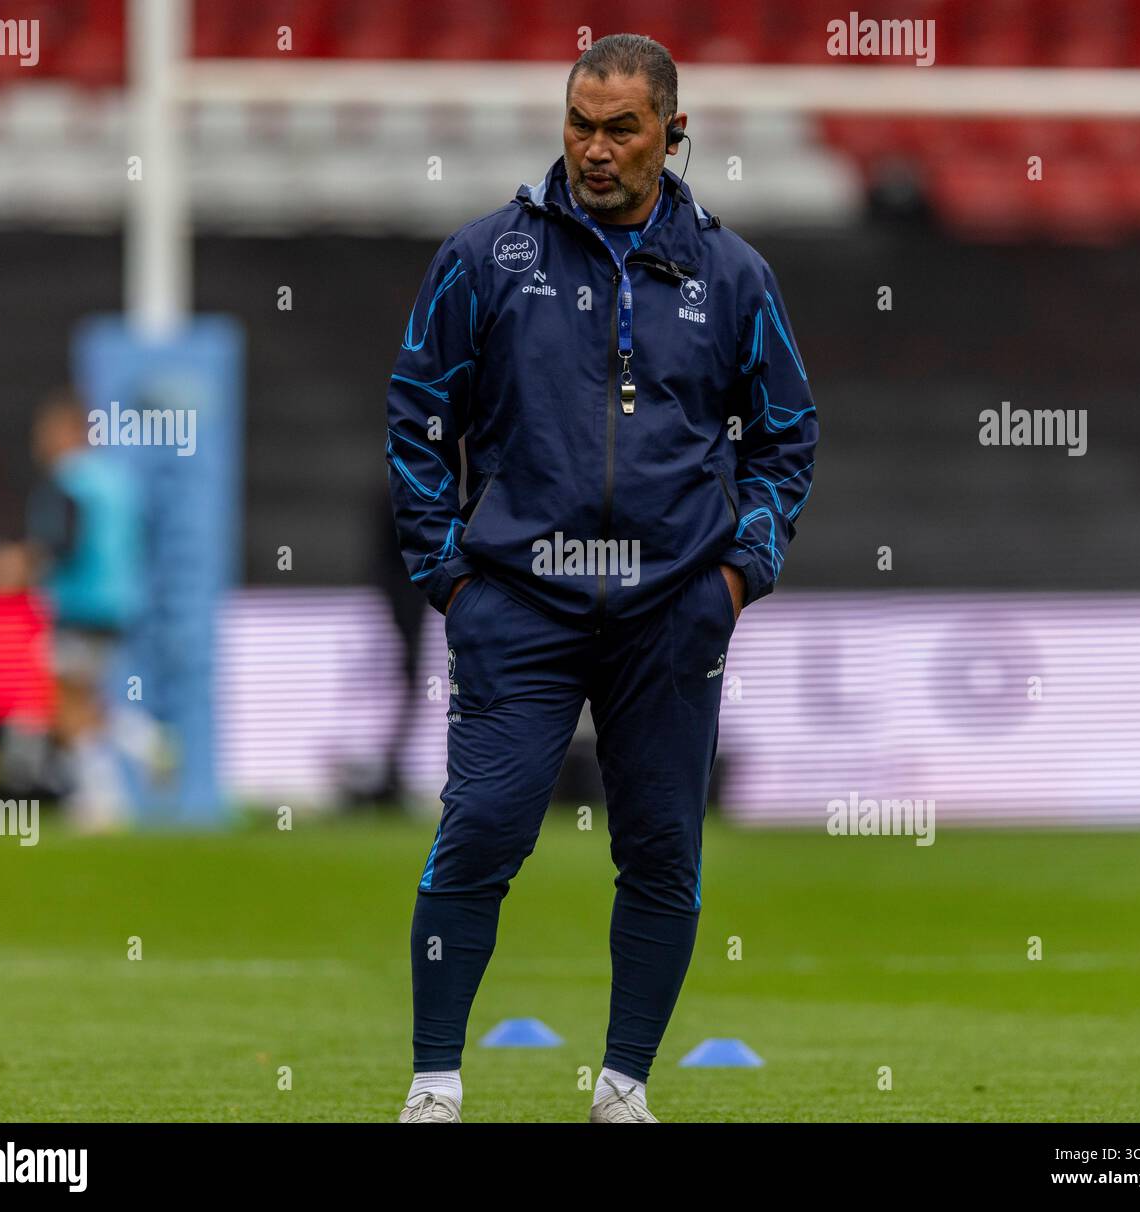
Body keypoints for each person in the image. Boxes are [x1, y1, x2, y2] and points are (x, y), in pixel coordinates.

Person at [385, 33, 818, 1123]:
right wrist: (448, 576)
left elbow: (785, 436)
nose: (594, 148)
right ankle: (436, 1082)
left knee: (664, 852)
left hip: (671, 610)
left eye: (621, 128)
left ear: (674, 133)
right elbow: (415, 417)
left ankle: (620, 1087)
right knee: (481, 828)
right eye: (580, 123)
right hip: (517, 605)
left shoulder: (734, 276)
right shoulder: (485, 258)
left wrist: (737, 575)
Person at [25, 388, 146, 831]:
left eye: (47, 432)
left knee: (64, 702)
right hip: (119, 604)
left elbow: (60, 544)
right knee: (86, 698)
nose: (40, 442)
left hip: (79, 603)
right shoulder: (118, 480)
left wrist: (22, 564)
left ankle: (102, 800)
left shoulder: (68, 481)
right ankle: (145, 741)